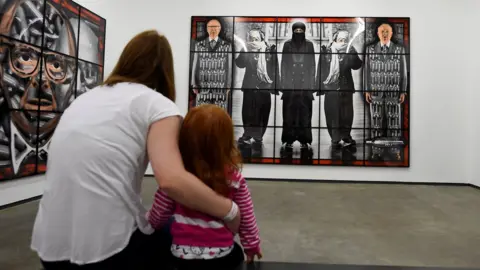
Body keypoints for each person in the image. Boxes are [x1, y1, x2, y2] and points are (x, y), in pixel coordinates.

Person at [30, 30, 241, 270]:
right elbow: (172, 181)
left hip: (50, 249)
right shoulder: (159, 106)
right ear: (165, 70)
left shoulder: (83, 100)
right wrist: (230, 211)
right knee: (224, 249)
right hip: (111, 251)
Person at [147, 104, 262, 270]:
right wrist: (251, 246)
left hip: (182, 255)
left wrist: (148, 226)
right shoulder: (234, 180)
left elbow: (158, 215)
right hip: (221, 255)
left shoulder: (179, 179)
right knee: (236, 254)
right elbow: (247, 219)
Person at [364, 22, 408, 160]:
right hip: (375, 92)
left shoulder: (399, 50)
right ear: (377, 33)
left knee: (394, 122)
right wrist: (366, 90)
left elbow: (403, 73)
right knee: (376, 122)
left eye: (387, 31)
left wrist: (403, 91)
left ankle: (395, 150)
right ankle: (377, 151)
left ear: (391, 34)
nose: (384, 34)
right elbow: (367, 71)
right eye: (382, 31)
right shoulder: (370, 49)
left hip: (393, 92)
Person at [318, 30, 363, 148]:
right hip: (331, 87)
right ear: (335, 40)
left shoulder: (349, 50)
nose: (343, 42)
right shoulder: (327, 50)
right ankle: (334, 137)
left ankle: (346, 136)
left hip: (346, 86)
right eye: (340, 40)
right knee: (332, 113)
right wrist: (319, 87)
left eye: (345, 40)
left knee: (347, 114)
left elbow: (357, 66)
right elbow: (321, 69)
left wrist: (352, 53)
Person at [235, 29, 278, 149]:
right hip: (249, 85)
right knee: (247, 112)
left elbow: (274, 68)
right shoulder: (246, 50)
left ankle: (259, 135)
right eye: (251, 39)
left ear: (262, 39)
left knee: (263, 112)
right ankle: (247, 134)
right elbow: (240, 64)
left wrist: (274, 85)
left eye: (256, 39)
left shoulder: (268, 50)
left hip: (264, 86)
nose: (253, 41)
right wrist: (240, 51)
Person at [279, 21, 316, 152]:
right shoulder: (287, 45)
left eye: (301, 31)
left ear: (304, 31)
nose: (299, 33)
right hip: (290, 84)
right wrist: (283, 84)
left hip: (305, 85)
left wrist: (312, 85)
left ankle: (304, 140)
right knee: (289, 114)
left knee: (305, 114)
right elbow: (283, 64)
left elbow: (312, 65)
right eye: (297, 31)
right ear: (293, 31)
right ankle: (288, 140)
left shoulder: (309, 45)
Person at [190, 17, 232, 111]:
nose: (213, 29)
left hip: (220, 88)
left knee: (219, 115)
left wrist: (228, 85)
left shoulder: (227, 46)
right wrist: (194, 84)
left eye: (216, 27)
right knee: (202, 115)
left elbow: (229, 67)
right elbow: (195, 65)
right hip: (203, 88)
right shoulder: (199, 45)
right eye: (210, 27)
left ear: (220, 28)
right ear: (207, 29)